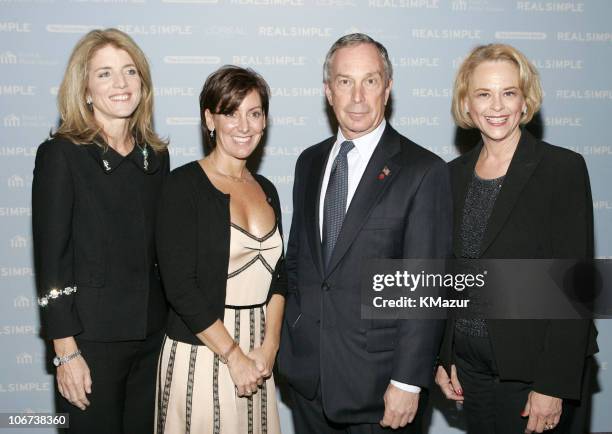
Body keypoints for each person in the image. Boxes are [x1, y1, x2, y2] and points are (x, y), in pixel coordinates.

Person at [278, 33, 453, 433]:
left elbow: (424, 287)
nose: (357, 96)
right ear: (328, 91)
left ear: (387, 88)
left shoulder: (423, 170)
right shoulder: (310, 161)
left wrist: (407, 381)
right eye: (344, 81)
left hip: (379, 389)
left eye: (370, 81)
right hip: (307, 382)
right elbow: (301, 262)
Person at [435, 43, 598, 434]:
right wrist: (442, 357)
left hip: (535, 372)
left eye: (508, 92)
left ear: (525, 100)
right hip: (469, 369)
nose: (497, 106)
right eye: (483, 94)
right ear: (466, 104)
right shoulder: (451, 175)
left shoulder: (562, 169)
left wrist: (553, 384)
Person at [32, 28, 169, 433]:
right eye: (105, 74)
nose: (121, 83)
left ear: (143, 84)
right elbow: (51, 261)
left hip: (152, 340)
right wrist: (65, 351)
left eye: (130, 71)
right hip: (89, 345)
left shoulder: (156, 157)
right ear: (85, 88)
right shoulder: (61, 154)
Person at [155, 65, 286, 434]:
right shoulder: (182, 187)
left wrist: (270, 346)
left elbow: (281, 276)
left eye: (254, 113)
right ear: (209, 119)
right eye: (231, 112)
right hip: (204, 351)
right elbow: (179, 286)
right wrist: (233, 356)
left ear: (264, 122)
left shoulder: (268, 189)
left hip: (258, 356)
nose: (244, 126)